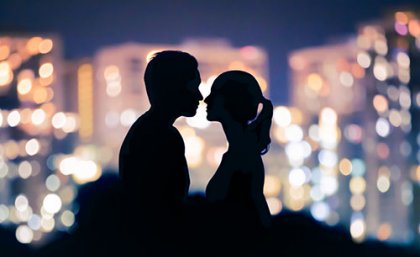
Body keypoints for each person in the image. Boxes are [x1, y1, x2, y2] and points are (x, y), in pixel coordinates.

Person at [118, 50, 202, 256]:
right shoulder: (162, 136)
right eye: (194, 86)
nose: (199, 96)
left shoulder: (147, 130)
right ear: (173, 87)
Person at [205, 70, 273, 229]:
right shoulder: (243, 150)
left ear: (229, 101)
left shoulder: (242, 154)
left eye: (214, 94)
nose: (207, 100)